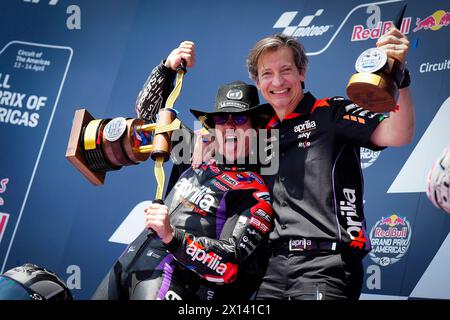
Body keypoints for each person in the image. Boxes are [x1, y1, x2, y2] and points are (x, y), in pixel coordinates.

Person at [91, 42, 274, 300]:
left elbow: (230, 263)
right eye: (222, 119)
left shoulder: (254, 190)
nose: (230, 126)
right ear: (213, 125)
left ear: (256, 128)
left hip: (178, 282)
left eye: (240, 119)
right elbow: (150, 114)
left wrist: (172, 236)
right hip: (129, 264)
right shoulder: (192, 150)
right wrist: (167, 68)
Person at [243, 29, 415, 300]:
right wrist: (168, 71)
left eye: (286, 70)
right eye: (267, 74)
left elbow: (398, 134)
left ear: (302, 72)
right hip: (272, 270)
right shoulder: (260, 134)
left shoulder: (331, 112)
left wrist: (399, 76)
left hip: (326, 266)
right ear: (257, 81)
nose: (277, 81)